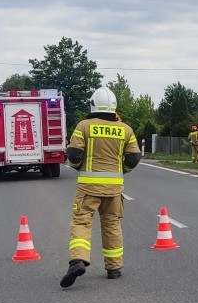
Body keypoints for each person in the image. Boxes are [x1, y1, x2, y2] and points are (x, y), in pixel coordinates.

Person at [61, 87, 142, 288]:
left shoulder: (84, 126)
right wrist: (121, 170)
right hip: (114, 190)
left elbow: (74, 154)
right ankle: (114, 268)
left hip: (88, 188)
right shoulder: (126, 129)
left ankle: (78, 260)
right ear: (114, 106)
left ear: (93, 104)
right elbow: (133, 158)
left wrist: (77, 167)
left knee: (81, 222)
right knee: (112, 225)